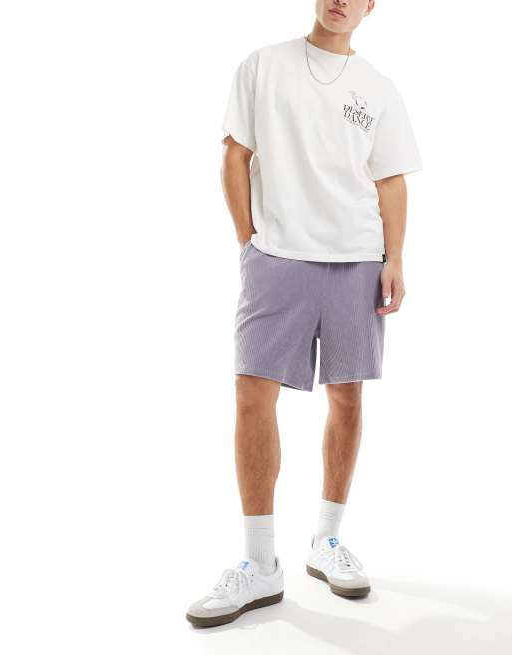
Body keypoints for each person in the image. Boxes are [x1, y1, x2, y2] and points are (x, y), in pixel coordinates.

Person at [186, 0, 423, 628]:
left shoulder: (378, 88)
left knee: (347, 395)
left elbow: (391, 180)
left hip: (356, 259)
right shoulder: (263, 65)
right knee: (251, 393)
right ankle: (259, 562)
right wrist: (249, 241)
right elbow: (235, 154)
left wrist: (395, 257)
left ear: (371, 6)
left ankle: (327, 540)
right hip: (277, 258)